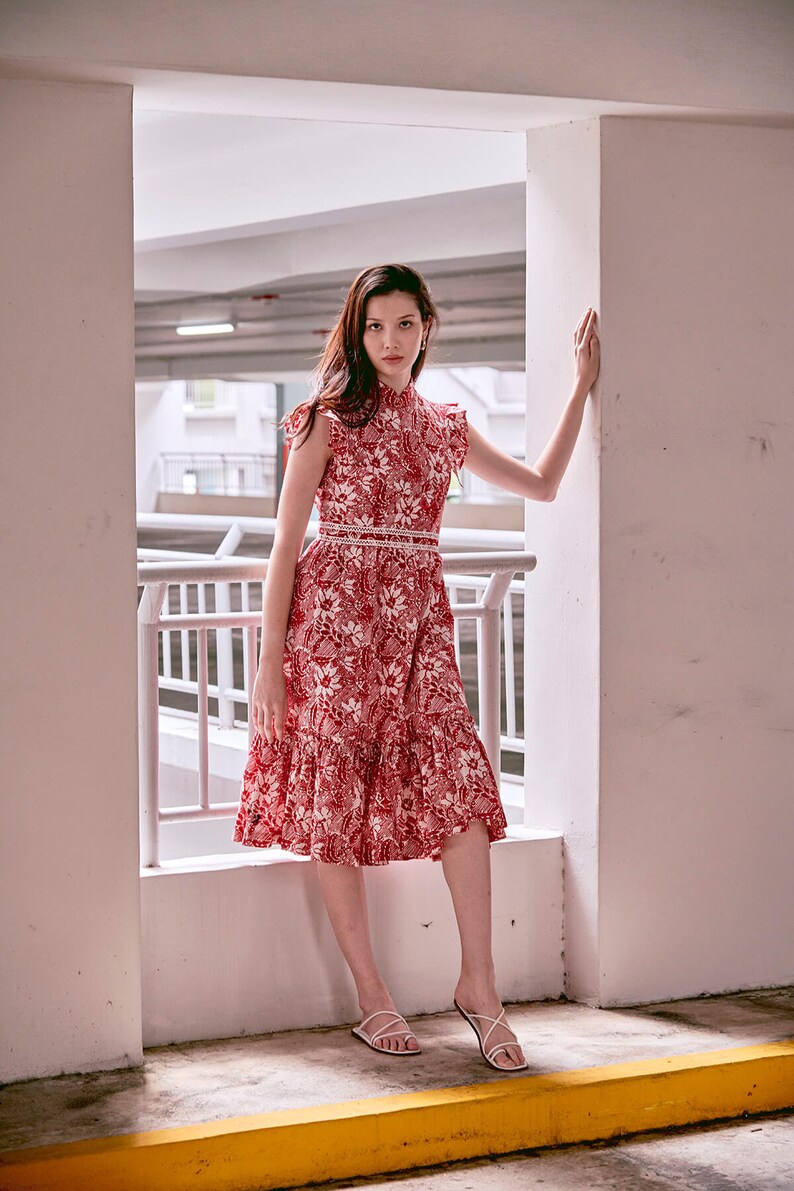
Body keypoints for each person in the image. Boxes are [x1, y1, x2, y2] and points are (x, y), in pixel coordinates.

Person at [233, 263, 600, 1072]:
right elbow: (284, 548)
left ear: (426, 327)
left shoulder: (446, 426)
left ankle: (481, 985)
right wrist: (268, 664)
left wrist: (581, 388)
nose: (390, 341)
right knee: (333, 803)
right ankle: (373, 996)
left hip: (416, 627)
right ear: (356, 334)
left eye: (405, 324)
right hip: (331, 629)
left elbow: (540, 483)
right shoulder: (324, 419)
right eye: (375, 326)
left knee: (462, 789)